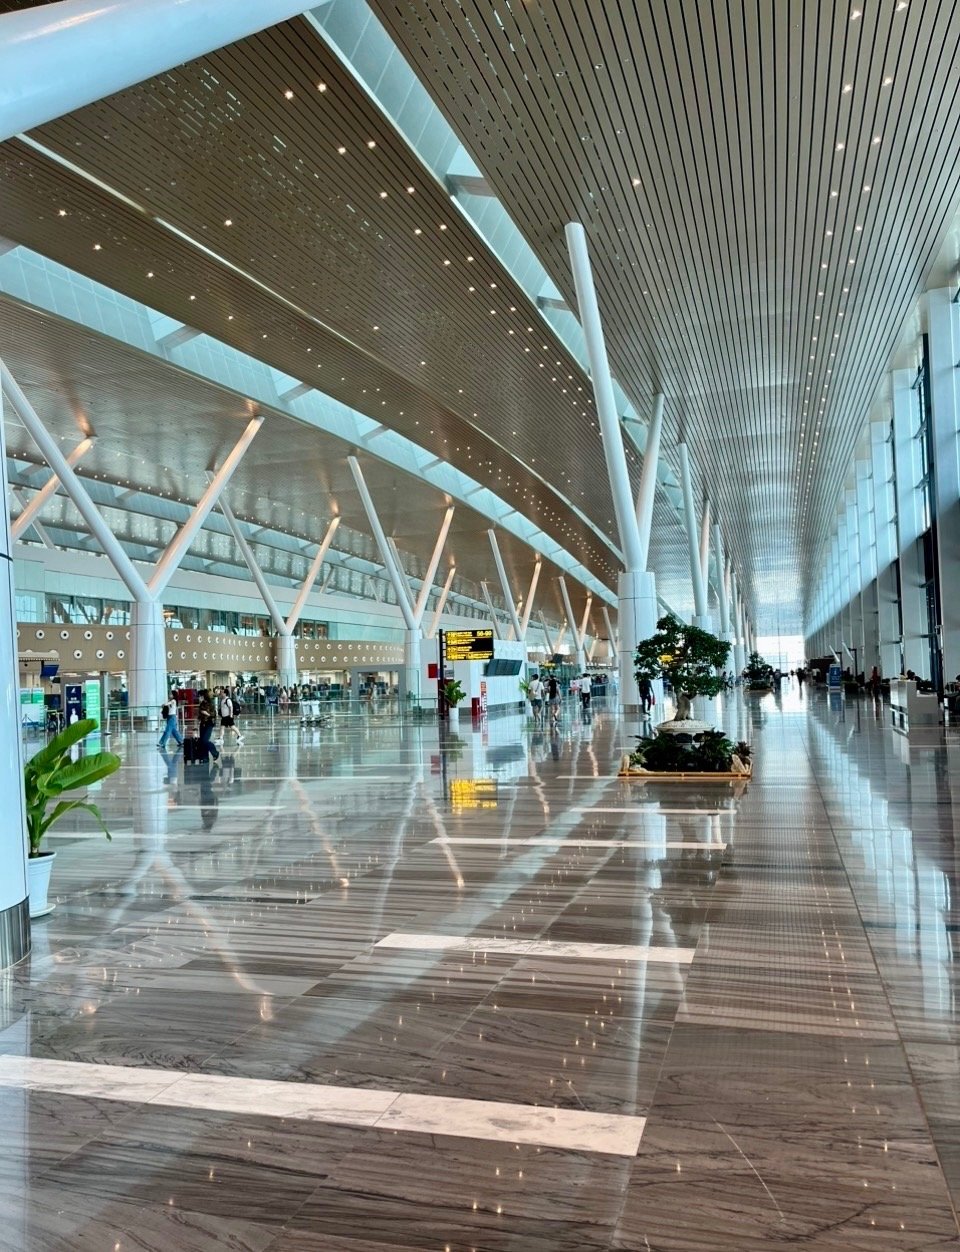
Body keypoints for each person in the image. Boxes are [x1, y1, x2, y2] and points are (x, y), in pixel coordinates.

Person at [197, 691, 220, 762]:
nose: (199, 698)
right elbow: (200, 714)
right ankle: (205, 757)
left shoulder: (210, 704)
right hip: (202, 724)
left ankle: (215, 752)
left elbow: (213, 714)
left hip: (209, 724)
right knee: (202, 741)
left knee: (205, 740)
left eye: (200, 696)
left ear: (203, 696)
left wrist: (206, 713)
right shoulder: (201, 704)